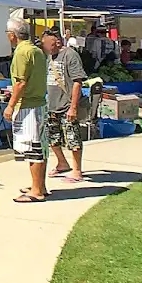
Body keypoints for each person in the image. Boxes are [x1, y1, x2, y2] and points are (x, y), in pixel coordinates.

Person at [4, 18, 48, 203]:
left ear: (12, 35)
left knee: (33, 149)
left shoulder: (22, 52)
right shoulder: (36, 50)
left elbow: (21, 82)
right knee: (40, 147)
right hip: (38, 103)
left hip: (28, 105)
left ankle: (36, 191)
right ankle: (39, 185)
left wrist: (10, 105)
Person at [41, 29, 87, 183]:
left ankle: (77, 170)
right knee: (51, 137)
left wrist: (73, 107)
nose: (45, 46)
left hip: (66, 104)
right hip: (51, 105)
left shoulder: (70, 55)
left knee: (72, 138)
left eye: (48, 43)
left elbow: (77, 81)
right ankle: (62, 163)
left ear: (58, 42)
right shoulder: (48, 57)